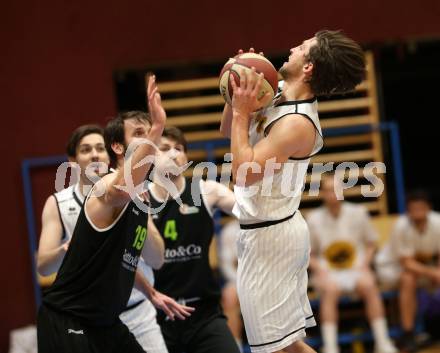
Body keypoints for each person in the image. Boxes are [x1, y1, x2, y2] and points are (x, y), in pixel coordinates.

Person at [220, 30, 366, 353]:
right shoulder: (281, 92)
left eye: (301, 47)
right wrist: (238, 89)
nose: (292, 48)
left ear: (309, 67)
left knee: (274, 349)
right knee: (287, 347)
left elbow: (243, 174)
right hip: (265, 233)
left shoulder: (298, 123)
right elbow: (228, 131)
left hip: (271, 240)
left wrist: (243, 113)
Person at [37, 76, 193, 353]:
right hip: (70, 318)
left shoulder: (140, 197)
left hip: (106, 321)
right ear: (119, 148)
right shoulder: (106, 186)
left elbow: (124, 259)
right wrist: (157, 127)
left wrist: (152, 293)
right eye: (140, 135)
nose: (151, 142)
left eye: (151, 134)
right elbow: (122, 188)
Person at [148, 126, 241, 353]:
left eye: (178, 148)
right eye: (164, 148)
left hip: (204, 314)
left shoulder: (207, 191)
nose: (173, 153)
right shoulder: (140, 200)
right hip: (157, 317)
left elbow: (250, 212)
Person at [306, 175, 397, 353]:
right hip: (327, 270)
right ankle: (331, 346)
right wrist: (319, 269)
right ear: (322, 193)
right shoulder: (313, 218)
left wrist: (364, 265)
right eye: (328, 190)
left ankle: (382, 341)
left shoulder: (359, 212)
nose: (333, 193)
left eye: (337, 189)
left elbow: (371, 243)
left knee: (369, 285)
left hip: (357, 266)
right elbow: (308, 253)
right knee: (329, 290)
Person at [390, 190, 440, 351]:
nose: (418, 212)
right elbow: (406, 263)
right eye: (414, 208)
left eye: (421, 208)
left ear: (428, 208)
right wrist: (433, 273)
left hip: (426, 269)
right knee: (408, 279)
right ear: (408, 210)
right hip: (394, 269)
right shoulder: (400, 226)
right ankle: (408, 333)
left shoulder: (438, 222)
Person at [218, 220, 244, 349]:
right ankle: (236, 347)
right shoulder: (229, 230)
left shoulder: (269, 225)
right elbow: (226, 265)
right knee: (229, 296)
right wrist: (243, 281)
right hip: (238, 281)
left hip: (265, 280)